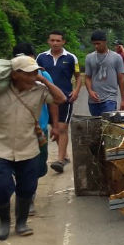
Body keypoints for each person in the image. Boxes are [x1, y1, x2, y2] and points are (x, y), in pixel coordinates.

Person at [0, 56, 66, 240]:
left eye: (36, 72)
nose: (34, 76)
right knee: (2, 187)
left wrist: (43, 79)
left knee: (27, 187)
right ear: (15, 75)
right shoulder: (1, 92)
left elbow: (60, 98)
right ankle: (4, 222)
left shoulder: (40, 90)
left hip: (29, 147)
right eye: (30, 73)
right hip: (2, 148)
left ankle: (21, 222)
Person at [13, 43, 60, 214]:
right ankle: (27, 198)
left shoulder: (43, 75)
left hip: (39, 130)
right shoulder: (7, 80)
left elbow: (54, 101)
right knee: (19, 166)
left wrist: (55, 125)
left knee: (37, 167)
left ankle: (27, 194)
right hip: (15, 132)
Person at [36, 30, 82, 173]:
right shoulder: (41, 57)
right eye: (52, 40)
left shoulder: (71, 58)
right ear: (48, 41)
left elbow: (78, 76)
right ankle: (65, 155)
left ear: (63, 42)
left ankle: (60, 160)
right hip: (46, 98)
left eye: (58, 40)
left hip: (65, 98)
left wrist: (76, 91)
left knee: (62, 128)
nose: (55, 43)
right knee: (53, 127)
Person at [84, 30, 124, 116]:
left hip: (110, 98)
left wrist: (123, 100)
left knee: (107, 124)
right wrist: (90, 91)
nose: (96, 46)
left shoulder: (116, 57)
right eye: (94, 44)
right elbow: (87, 77)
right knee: (96, 125)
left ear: (105, 42)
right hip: (94, 99)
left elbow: (121, 79)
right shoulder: (89, 57)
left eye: (98, 43)